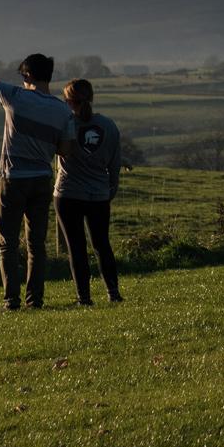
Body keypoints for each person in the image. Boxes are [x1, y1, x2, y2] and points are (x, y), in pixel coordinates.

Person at [0, 54, 69, 310]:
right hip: (41, 180)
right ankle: (35, 299)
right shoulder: (63, 110)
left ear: (27, 75)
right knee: (36, 244)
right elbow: (64, 149)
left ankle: (11, 300)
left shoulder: (16, 97)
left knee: (8, 243)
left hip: (12, 179)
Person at [55, 77, 124, 305]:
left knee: (76, 248)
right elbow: (114, 163)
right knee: (102, 244)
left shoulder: (64, 124)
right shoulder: (109, 126)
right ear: (91, 98)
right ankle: (113, 293)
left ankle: (84, 298)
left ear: (67, 100)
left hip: (68, 194)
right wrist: (111, 187)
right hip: (98, 195)